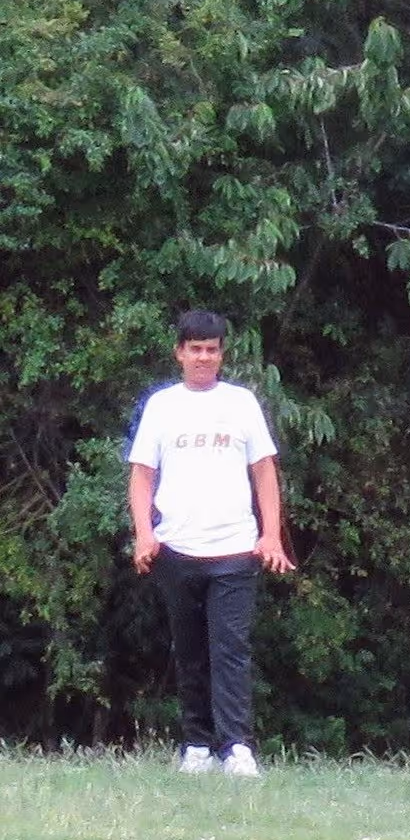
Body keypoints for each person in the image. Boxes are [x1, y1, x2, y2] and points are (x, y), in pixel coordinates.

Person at [125, 310, 295, 776]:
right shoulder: (162, 405)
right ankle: (197, 746)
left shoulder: (241, 403)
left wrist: (271, 535)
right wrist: (144, 534)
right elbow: (142, 475)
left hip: (236, 549)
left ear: (222, 354)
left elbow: (264, 471)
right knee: (190, 649)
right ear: (180, 352)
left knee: (231, 649)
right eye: (195, 348)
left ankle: (236, 746)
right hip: (176, 549)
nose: (204, 357)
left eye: (212, 349)